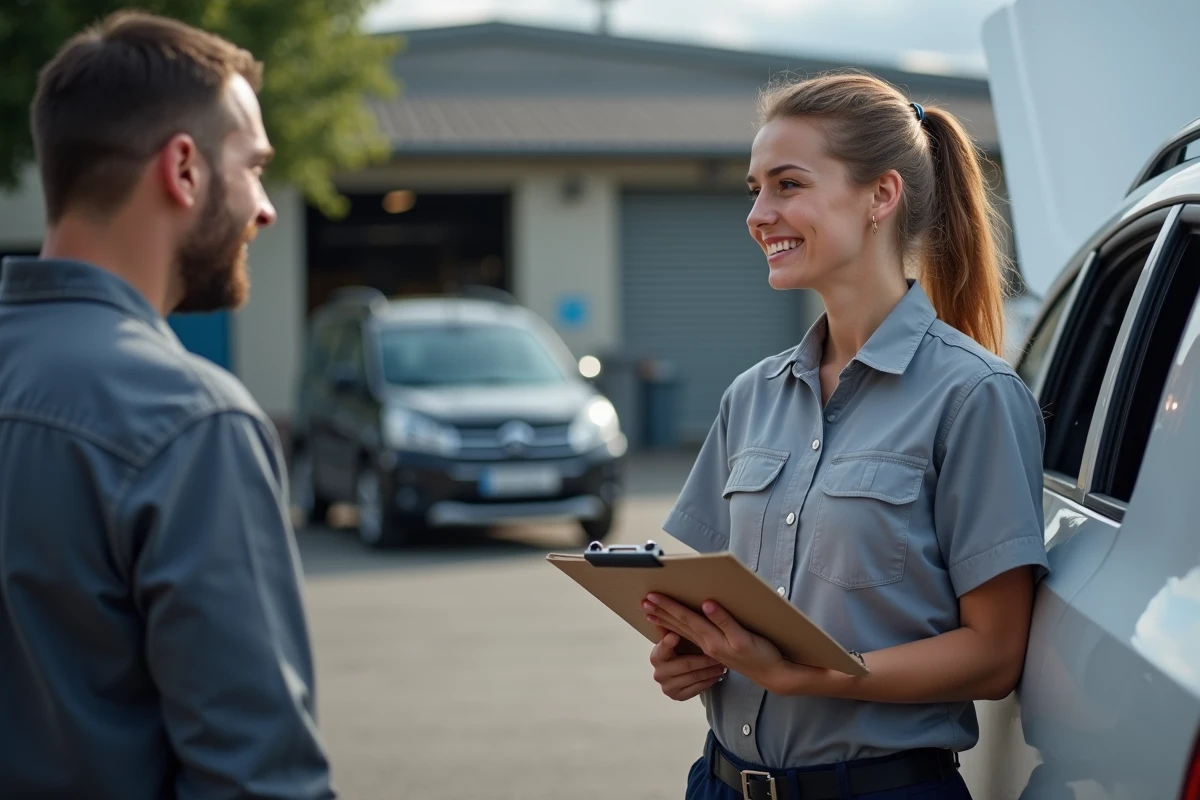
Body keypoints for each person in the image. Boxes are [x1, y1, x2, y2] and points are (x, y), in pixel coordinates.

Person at [644, 71, 1050, 800]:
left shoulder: (975, 397)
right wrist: (694, 655)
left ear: (880, 196)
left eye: (788, 184)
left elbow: (994, 655)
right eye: (754, 189)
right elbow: (723, 602)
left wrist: (813, 676)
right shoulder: (751, 397)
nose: (758, 213)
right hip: (720, 783)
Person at [0, 11, 335, 799]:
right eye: (253, 167)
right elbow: (258, 780)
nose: (267, 208)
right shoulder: (190, 422)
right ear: (183, 169)